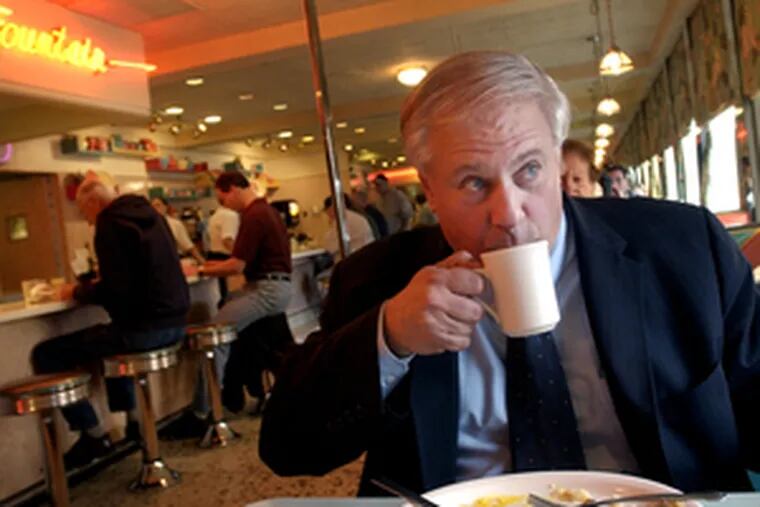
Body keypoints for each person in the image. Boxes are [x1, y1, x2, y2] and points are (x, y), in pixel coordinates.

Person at [259, 51, 760, 495]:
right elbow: (287, 449)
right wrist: (390, 337)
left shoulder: (683, 249)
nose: (509, 213)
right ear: (430, 191)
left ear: (558, 162)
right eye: (473, 182)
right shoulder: (378, 279)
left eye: (529, 170)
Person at [32, 176, 189, 469]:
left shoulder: (109, 223)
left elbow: (116, 290)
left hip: (145, 330)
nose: (86, 220)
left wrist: (76, 291)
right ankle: (134, 424)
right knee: (114, 343)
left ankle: (93, 435)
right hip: (175, 324)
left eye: (84, 211)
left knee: (47, 354)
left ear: (94, 202)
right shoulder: (153, 216)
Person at [163, 171, 292, 437]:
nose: (225, 206)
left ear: (232, 189)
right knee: (228, 309)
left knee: (214, 335)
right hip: (275, 287)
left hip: (266, 290)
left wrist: (200, 270)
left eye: (223, 199)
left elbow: (236, 266)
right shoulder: (264, 211)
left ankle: (202, 412)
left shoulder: (253, 216)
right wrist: (208, 265)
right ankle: (231, 393)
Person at [151, 197, 205, 264]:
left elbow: (188, 245)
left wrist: (202, 261)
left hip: (174, 259)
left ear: (166, 207)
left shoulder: (175, 224)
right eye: (152, 206)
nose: (155, 208)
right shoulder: (149, 226)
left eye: (158, 205)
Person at [206, 205, 241, 303]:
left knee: (222, 296)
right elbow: (227, 240)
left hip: (215, 256)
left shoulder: (215, 215)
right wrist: (242, 256)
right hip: (227, 258)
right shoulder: (230, 215)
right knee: (233, 298)